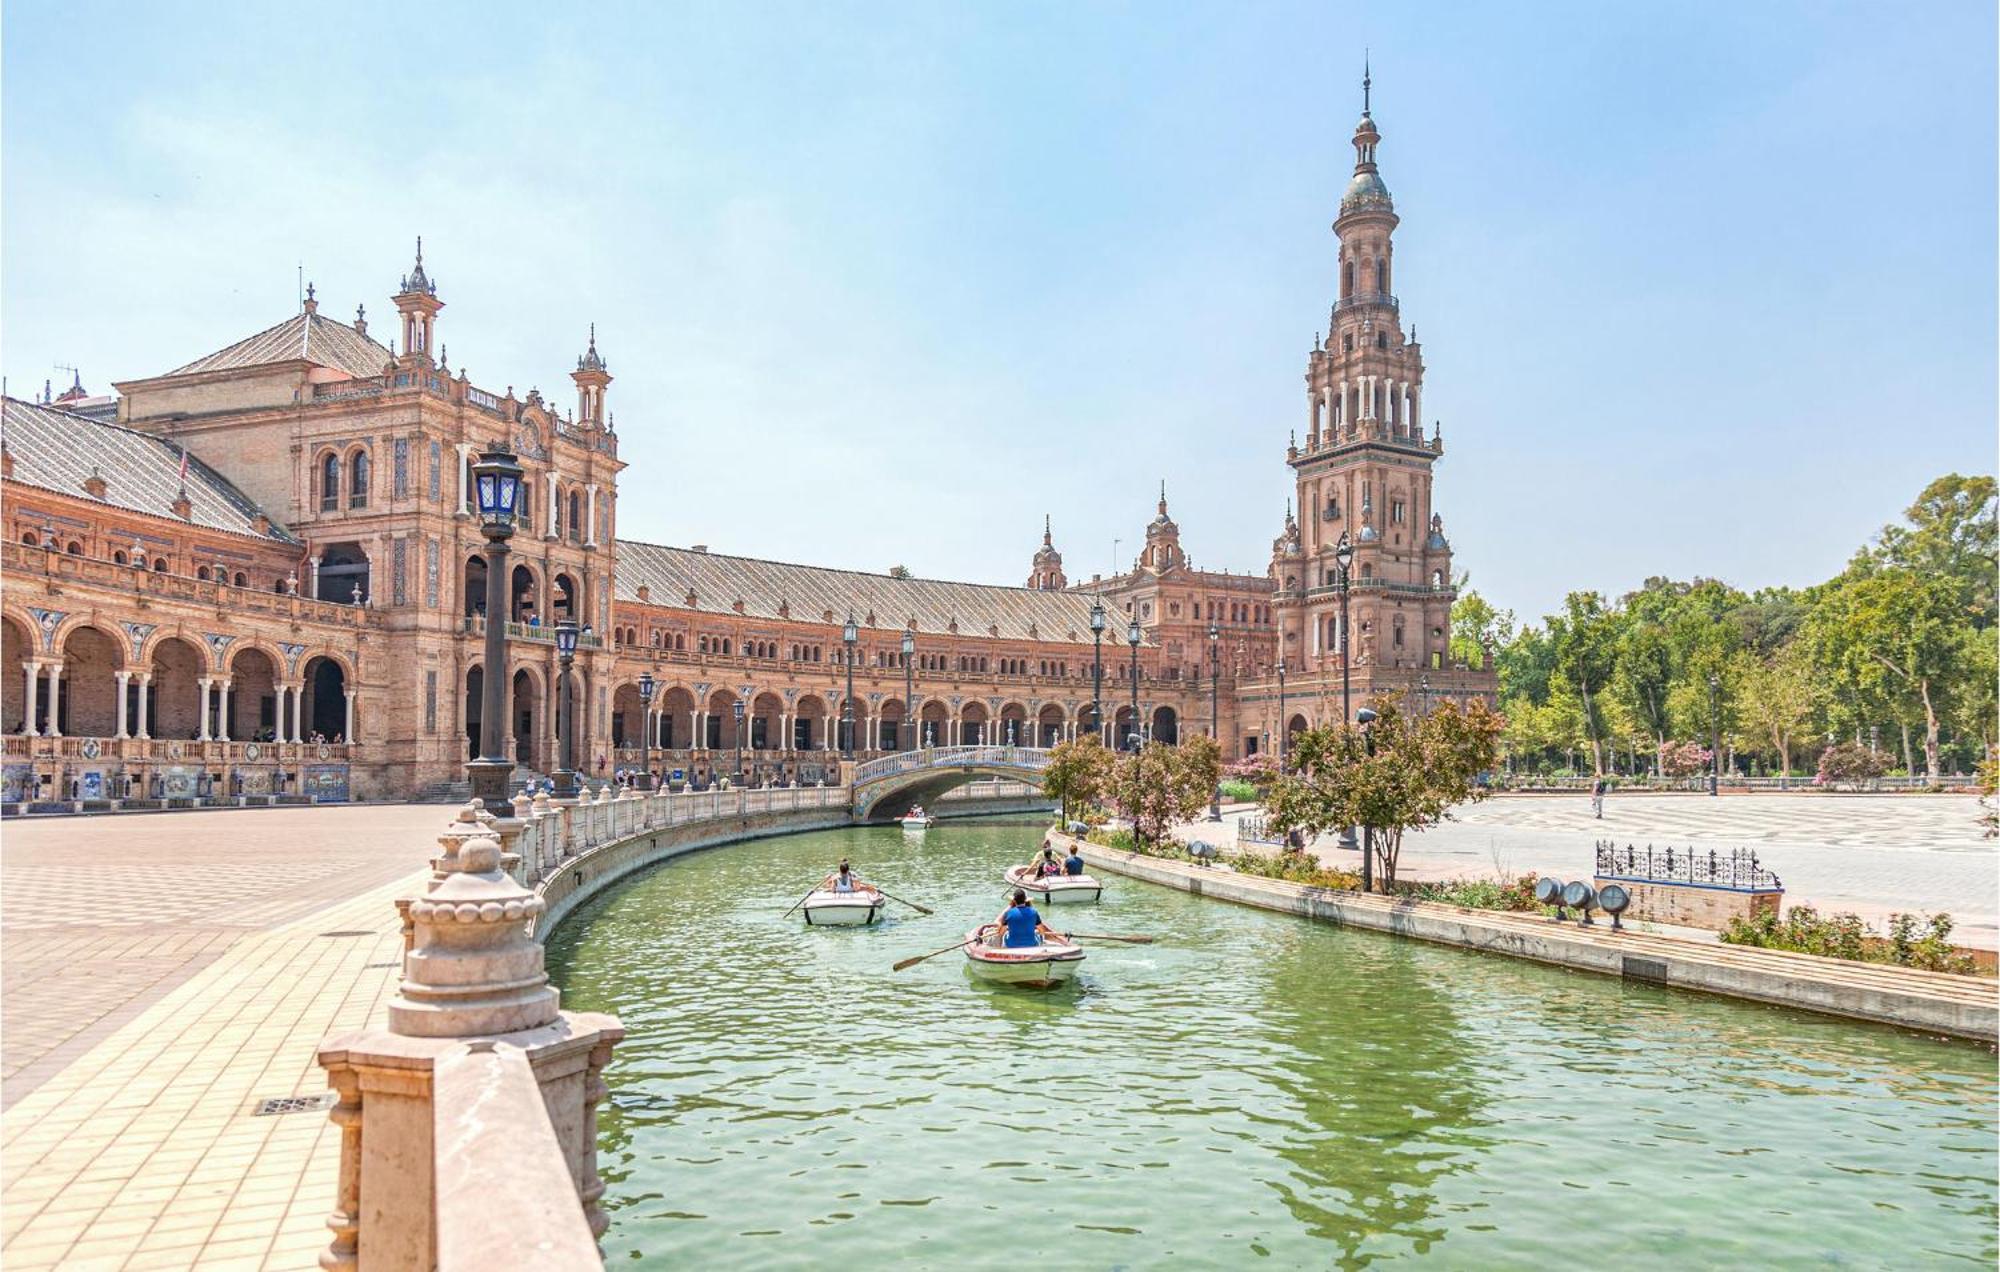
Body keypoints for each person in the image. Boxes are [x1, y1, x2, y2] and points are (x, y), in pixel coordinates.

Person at [993, 889, 1058, 948]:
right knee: (1038, 934)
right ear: (1025, 900)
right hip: (1031, 944)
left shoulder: (1008, 913)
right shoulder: (1034, 912)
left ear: (1014, 901)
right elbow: (1042, 931)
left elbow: (1001, 933)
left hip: (1012, 945)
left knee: (1004, 935)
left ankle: (999, 949)